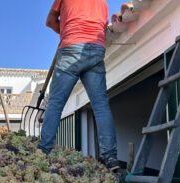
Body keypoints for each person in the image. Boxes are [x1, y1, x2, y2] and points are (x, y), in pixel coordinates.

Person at [38, 0, 119, 171]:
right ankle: (110, 157)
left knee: (56, 103)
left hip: (71, 49)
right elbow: (101, 27)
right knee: (101, 106)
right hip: (96, 50)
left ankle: (44, 151)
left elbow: (50, 21)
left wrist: (67, 33)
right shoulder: (102, 3)